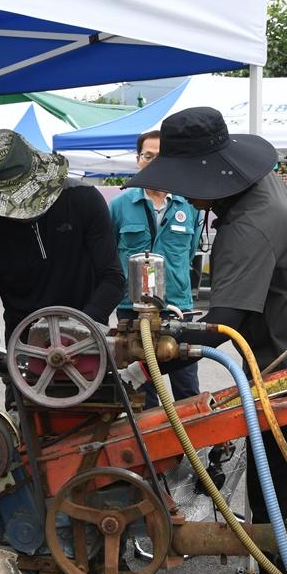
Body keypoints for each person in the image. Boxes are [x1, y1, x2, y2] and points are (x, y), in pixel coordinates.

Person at [126, 107, 287, 574]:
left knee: (280, 495)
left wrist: (144, 356)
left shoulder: (248, 226)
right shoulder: (259, 185)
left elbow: (226, 330)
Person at [0, 129, 124, 353]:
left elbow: (113, 278)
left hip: (89, 343)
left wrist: (78, 330)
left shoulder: (81, 198)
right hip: (23, 348)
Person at [110, 130, 203, 407]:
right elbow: (109, 256)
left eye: (162, 157)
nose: (154, 162)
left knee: (186, 383)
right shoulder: (119, 205)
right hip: (132, 309)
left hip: (177, 307)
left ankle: (192, 447)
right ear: (138, 159)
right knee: (142, 388)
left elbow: (188, 253)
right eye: (148, 156)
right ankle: (153, 450)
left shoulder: (190, 205)